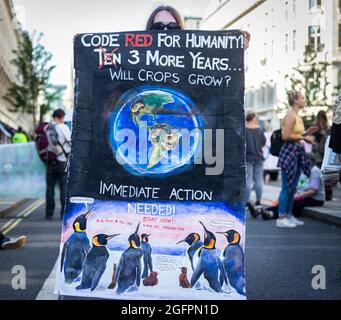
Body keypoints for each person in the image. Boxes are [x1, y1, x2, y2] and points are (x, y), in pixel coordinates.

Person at [276, 91, 314, 228]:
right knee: (287, 186)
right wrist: (304, 138)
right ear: (295, 101)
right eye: (302, 98)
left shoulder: (297, 116)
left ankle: (289, 215)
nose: (305, 100)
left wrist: (308, 133)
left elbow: (297, 134)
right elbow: (285, 136)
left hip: (297, 151)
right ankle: (281, 217)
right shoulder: (290, 115)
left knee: (293, 187)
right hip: (290, 151)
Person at [249, 154, 325, 220]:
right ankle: (261, 211)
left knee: (293, 203)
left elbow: (314, 190)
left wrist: (300, 195)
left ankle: (271, 214)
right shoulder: (304, 170)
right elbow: (300, 186)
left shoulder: (315, 171)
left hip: (315, 198)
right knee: (286, 200)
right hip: (304, 195)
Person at [145, 5, 250, 49]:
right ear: (149, 30)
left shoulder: (193, 58)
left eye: (172, 26)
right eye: (158, 26)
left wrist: (236, 52)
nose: (166, 31)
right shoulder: (135, 59)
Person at [45, 109, 71, 220]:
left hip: (50, 162)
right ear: (61, 117)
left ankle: (49, 213)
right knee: (63, 188)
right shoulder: (63, 127)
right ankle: (63, 213)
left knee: (50, 188)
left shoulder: (47, 128)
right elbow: (70, 140)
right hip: (62, 161)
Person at [245, 112, 266, 212]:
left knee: (248, 180)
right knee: (259, 181)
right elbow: (263, 142)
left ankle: (246, 201)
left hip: (248, 157)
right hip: (259, 157)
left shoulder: (244, 129)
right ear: (253, 118)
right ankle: (258, 201)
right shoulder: (259, 129)